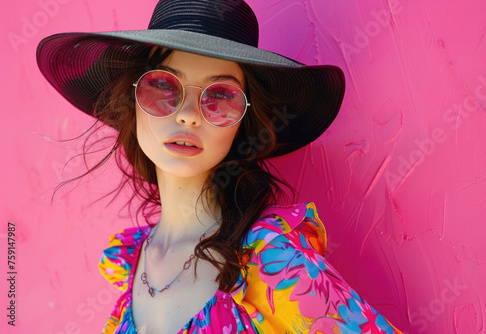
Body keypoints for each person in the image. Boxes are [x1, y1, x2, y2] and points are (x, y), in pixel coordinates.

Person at [37, 0, 402, 333]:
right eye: (163, 85)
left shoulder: (268, 258)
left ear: (243, 122)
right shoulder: (131, 263)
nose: (189, 116)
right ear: (132, 101)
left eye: (221, 96)